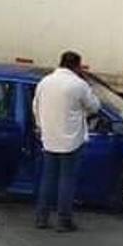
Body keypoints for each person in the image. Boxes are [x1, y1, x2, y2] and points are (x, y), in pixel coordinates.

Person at [33, 50, 100, 231]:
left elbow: (36, 107)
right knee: (66, 181)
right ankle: (63, 220)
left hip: (49, 138)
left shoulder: (45, 82)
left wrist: (41, 127)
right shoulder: (78, 85)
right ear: (77, 66)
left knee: (47, 179)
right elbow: (94, 107)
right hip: (71, 140)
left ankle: (41, 218)